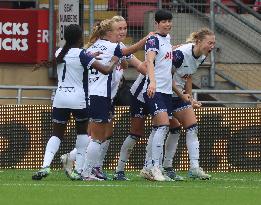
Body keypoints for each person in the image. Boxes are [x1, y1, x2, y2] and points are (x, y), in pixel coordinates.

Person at [61, 16, 149, 180]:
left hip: (99, 95)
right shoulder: (113, 46)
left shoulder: (95, 46)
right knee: (96, 137)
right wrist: (146, 40)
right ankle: (83, 169)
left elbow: (124, 61)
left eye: (124, 28)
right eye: (119, 29)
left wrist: (122, 65)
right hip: (99, 95)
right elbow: (126, 53)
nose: (123, 32)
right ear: (108, 32)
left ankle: (88, 166)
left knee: (105, 134)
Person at [32, 24, 122, 180]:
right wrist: (114, 60)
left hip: (60, 98)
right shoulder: (83, 54)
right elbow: (106, 70)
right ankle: (79, 170)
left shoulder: (59, 52)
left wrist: (90, 55)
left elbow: (71, 59)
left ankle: (45, 165)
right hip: (79, 99)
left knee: (56, 134)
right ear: (80, 38)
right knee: (81, 134)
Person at [163, 28, 215, 180]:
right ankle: (157, 167)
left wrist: (190, 98)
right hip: (164, 94)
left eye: (214, 43)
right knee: (167, 129)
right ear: (198, 41)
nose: (212, 46)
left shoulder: (202, 56)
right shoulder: (180, 54)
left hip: (178, 95)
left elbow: (188, 77)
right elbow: (165, 75)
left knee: (192, 126)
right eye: (209, 43)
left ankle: (194, 167)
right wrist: (182, 95)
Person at [140, 9, 174, 181]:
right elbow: (150, 61)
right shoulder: (153, 39)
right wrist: (152, 82)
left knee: (157, 129)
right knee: (163, 125)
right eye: (164, 21)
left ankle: (147, 167)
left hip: (167, 91)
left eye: (169, 21)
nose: (167, 24)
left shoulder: (167, 39)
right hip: (156, 89)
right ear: (157, 23)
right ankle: (156, 167)